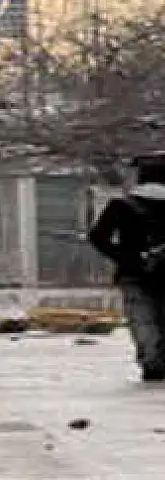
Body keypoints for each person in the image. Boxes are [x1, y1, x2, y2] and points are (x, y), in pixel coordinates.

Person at [90, 154, 165, 382]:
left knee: (143, 322)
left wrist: (127, 257)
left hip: (133, 275)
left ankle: (152, 365)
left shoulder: (121, 205)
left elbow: (98, 237)